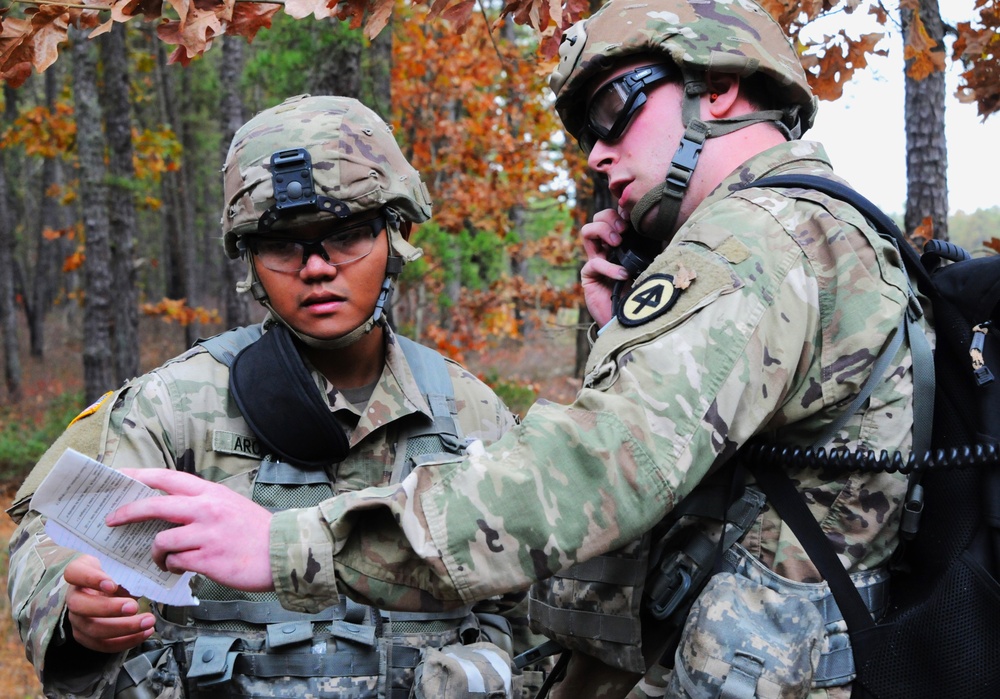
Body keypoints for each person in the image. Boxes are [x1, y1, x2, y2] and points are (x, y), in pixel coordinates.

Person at [96, 1, 927, 696]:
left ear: (722, 89)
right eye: (284, 244)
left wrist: (286, 544)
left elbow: (593, 471)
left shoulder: (753, 239)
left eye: (613, 107)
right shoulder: (825, 233)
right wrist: (625, 333)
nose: (598, 154)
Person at [5, 94, 540, 698]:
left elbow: (533, 602)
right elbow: (49, 539)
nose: (316, 268)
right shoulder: (175, 404)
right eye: (283, 244)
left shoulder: (471, 413)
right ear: (250, 261)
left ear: (397, 235)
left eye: (346, 235)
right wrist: (74, 612)